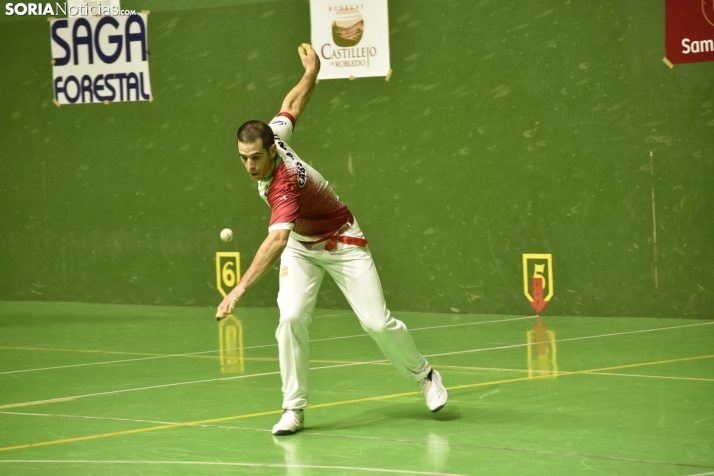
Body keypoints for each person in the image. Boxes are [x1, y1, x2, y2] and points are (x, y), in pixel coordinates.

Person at [216, 43, 447, 436]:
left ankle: (425, 376)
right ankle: (293, 409)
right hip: (301, 248)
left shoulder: (285, 185)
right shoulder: (274, 136)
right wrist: (311, 72)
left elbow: (274, 243)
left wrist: (237, 290)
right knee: (290, 318)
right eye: (242, 158)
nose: (249, 165)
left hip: (341, 242)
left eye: (255, 157)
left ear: (271, 151)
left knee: (376, 322)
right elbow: (292, 105)